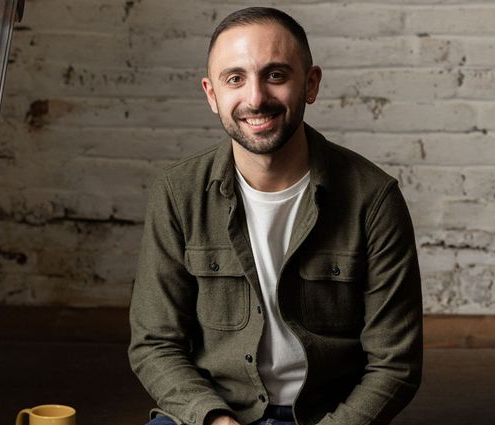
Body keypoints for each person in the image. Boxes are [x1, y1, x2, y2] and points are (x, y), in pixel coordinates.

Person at [128, 7, 423, 425]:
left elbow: (396, 364)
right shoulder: (178, 194)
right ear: (212, 95)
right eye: (235, 79)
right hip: (213, 412)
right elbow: (154, 343)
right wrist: (213, 419)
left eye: (276, 75)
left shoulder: (373, 199)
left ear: (311, 84)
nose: (255, 99)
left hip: (329, 416)